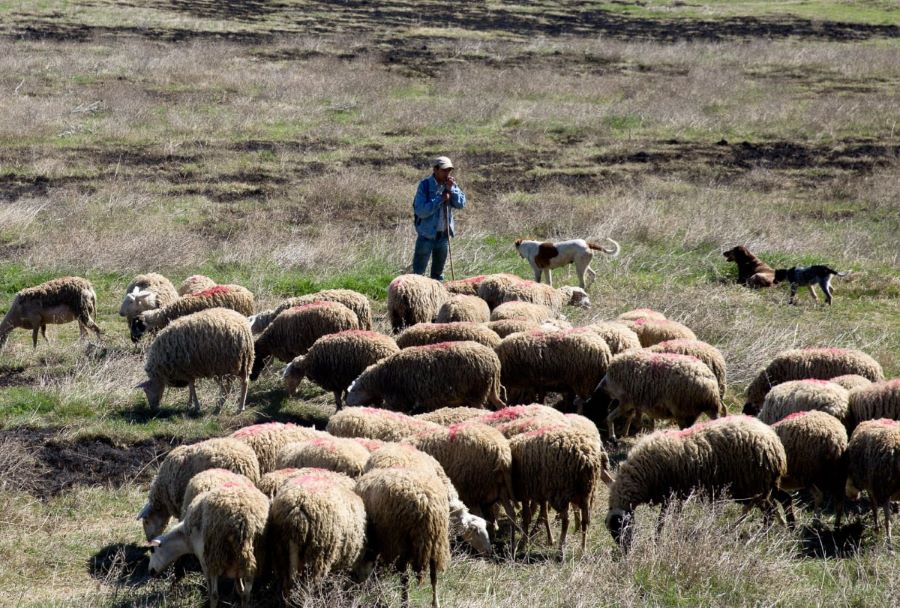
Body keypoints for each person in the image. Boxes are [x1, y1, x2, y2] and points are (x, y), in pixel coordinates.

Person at [411, 156, 466, 281]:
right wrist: (440, 199)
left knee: (438, 275)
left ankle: (437, 292)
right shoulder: (425, 186)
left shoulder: (451, 185)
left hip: (443, 236)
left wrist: (452, 190)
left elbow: (461, 204)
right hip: (426, 236)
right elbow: (421, 211)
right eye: (444, 170)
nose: (447, 173)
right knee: (418, 274)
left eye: (449, 170)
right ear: (435, 170)